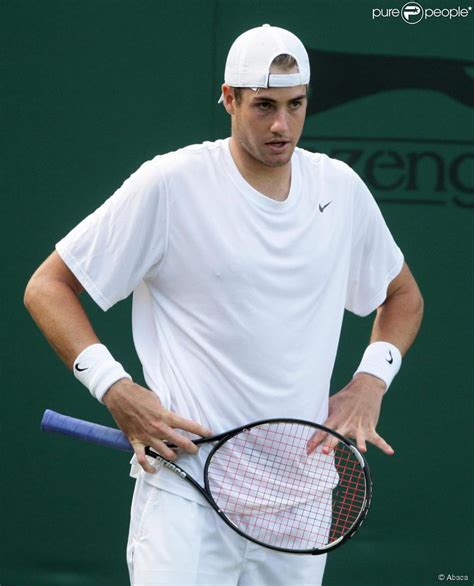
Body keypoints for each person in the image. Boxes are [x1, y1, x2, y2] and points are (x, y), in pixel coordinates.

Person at [24, 23, 423, 586]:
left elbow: (403, 296)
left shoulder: (341, 190)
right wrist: (116, 389)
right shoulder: (170, 183)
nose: (282, 125)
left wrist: (370, 382)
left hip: (300, 506)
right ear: (229, 98)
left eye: (295, 105)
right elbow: (48, 287)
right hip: (186, 500)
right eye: (264, 106)